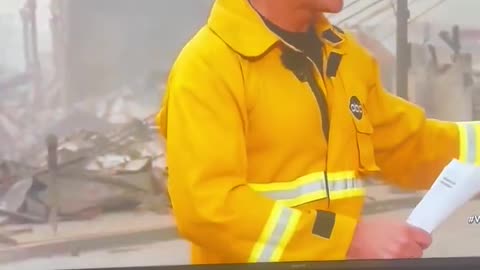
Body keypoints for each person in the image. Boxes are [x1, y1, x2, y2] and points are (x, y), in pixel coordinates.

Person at [156, 0, 478, 264]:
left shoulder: (344, 56)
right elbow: (207, 208)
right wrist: (348, 239)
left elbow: (410, 144)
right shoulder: (207, 68)